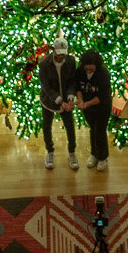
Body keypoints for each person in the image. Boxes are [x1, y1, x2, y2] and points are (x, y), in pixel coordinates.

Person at [37, 36, 80, 169]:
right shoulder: (44, 64)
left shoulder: (71, 61)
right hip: (49, 101)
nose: (62, 57)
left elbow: (73, 81)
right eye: (59, 54)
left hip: (66, 100)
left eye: (64, 54)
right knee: (46, 126)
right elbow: (47, 88)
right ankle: (50, 151)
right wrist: (60, 101)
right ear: (54, 51)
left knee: (70, 126)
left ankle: (72, 152)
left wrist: (70, 98)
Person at [75, 48, 112, 170]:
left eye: (91, 69)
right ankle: (94, 154)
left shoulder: (104, 73)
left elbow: (103, 96)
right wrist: (80, 99)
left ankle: (102, 157)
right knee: (92, 129)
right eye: (87, 68)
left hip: (102, 107)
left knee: (100, 130)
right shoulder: (80, 70)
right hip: (87, 107)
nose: (89, 71)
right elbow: (77, 87)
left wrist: (87, 104)